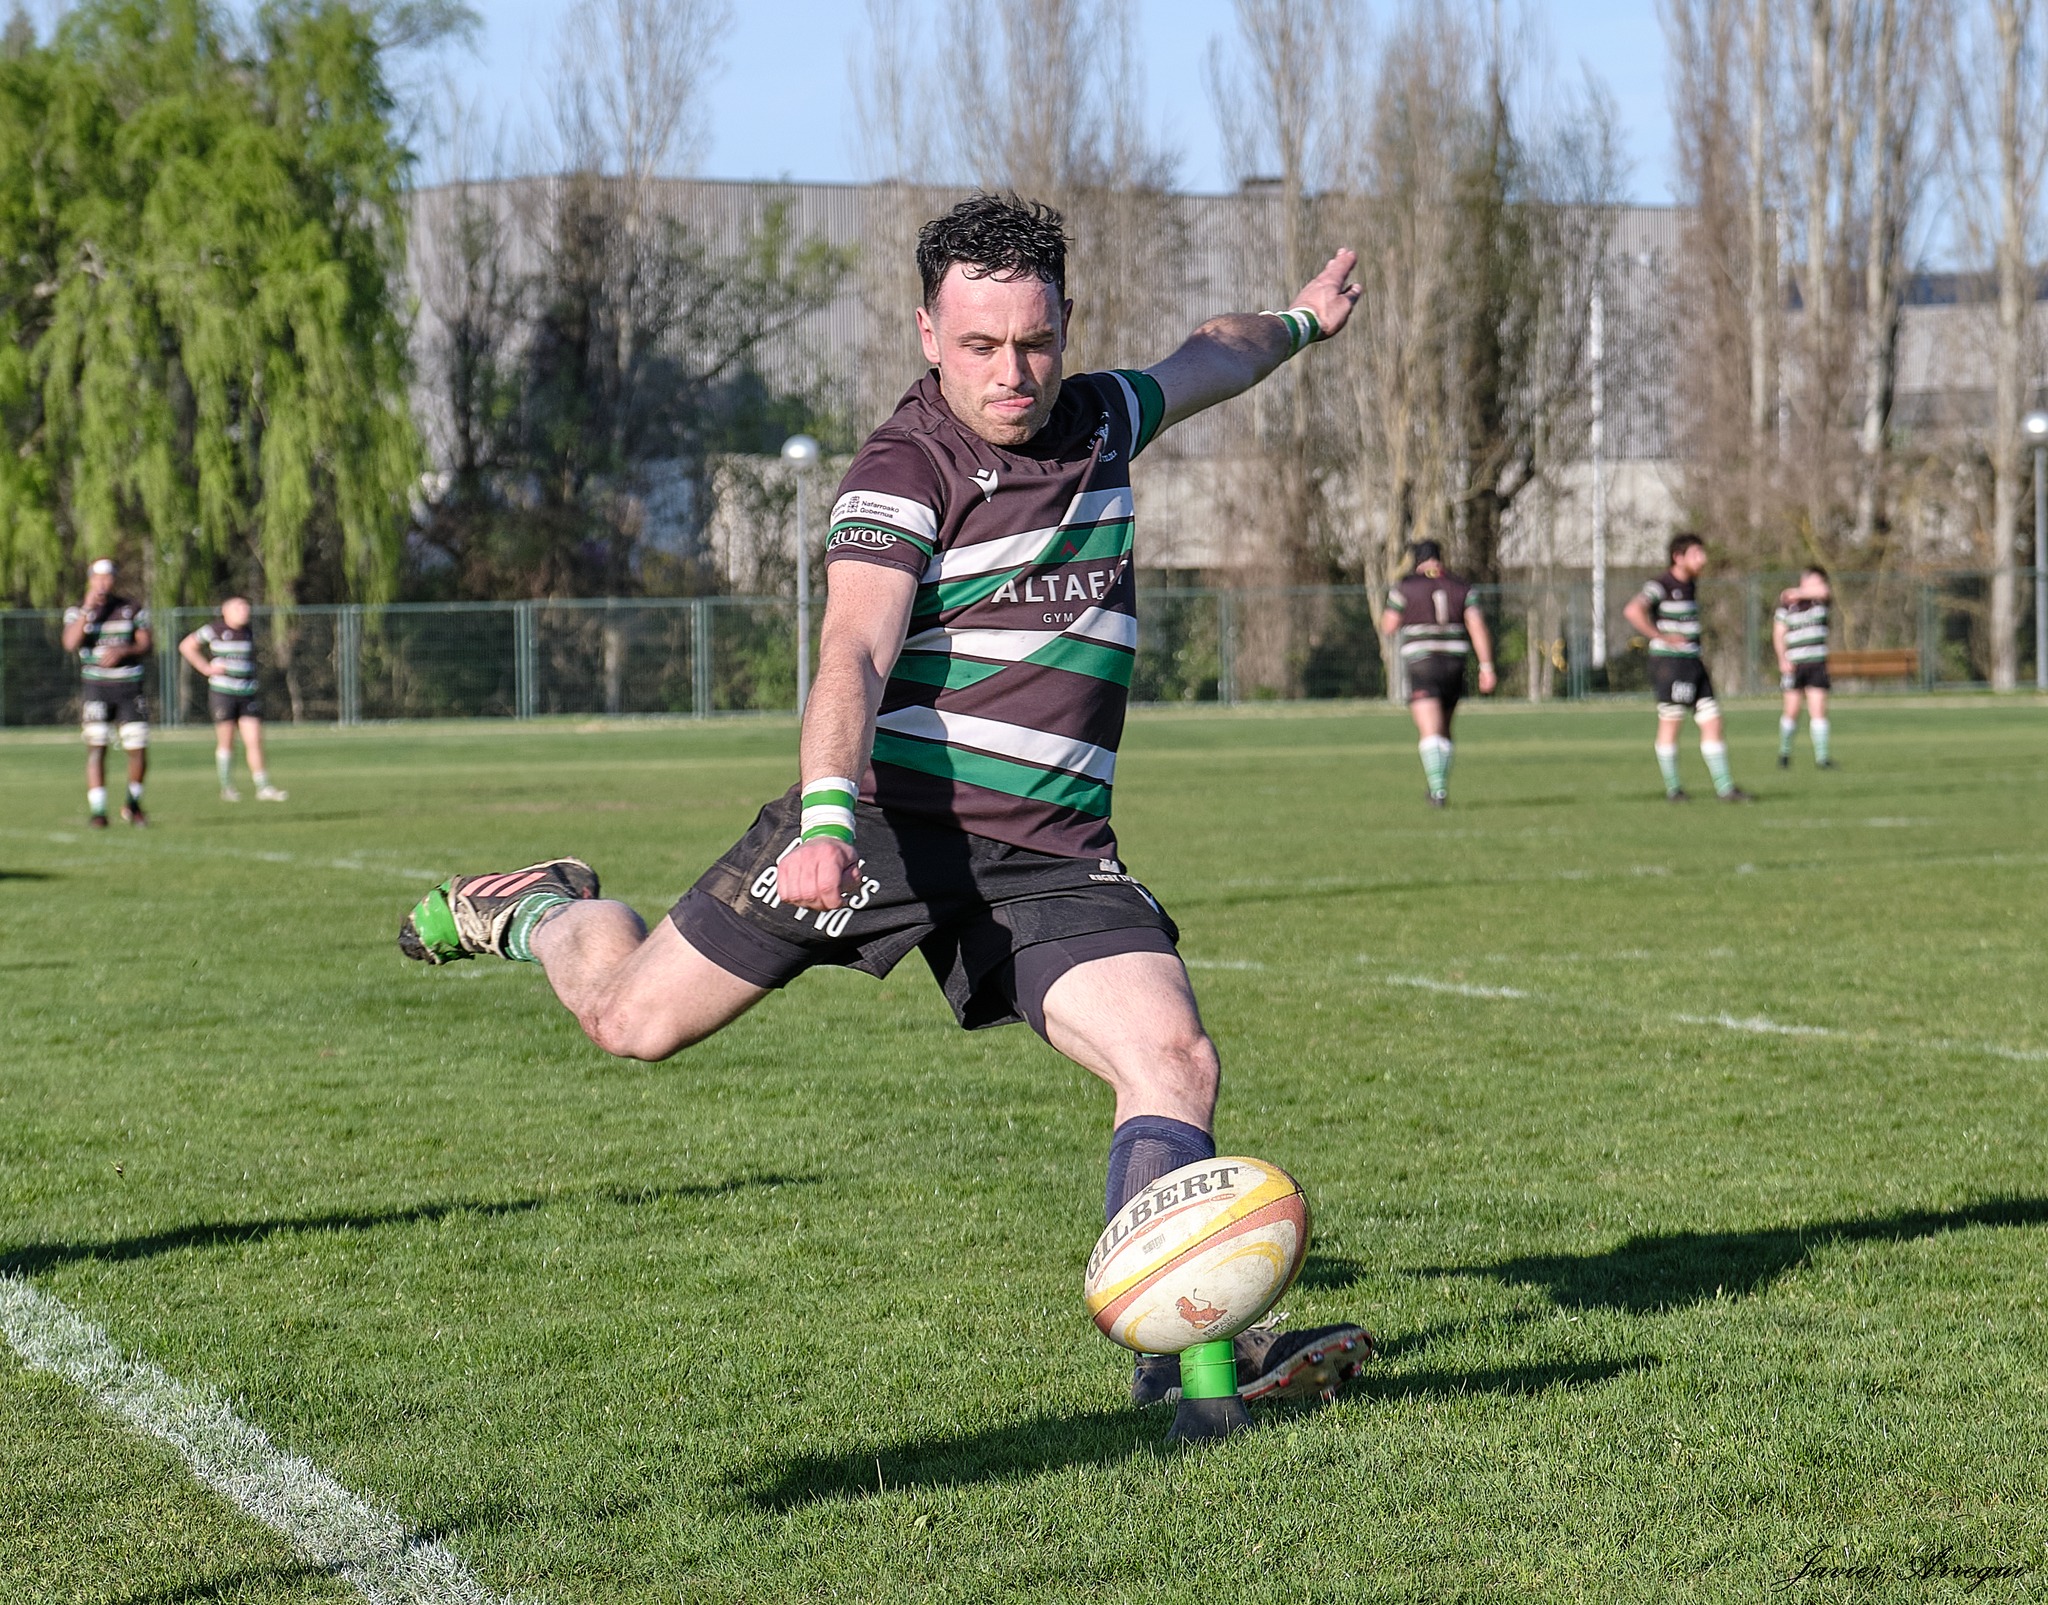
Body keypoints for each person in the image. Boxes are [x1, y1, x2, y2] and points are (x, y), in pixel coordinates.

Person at [396, 195, 1373, 1413]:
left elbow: (1208, 356)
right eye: (977, 346)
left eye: (1033, 341)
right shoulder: (902, 471)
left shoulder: (1099, 416)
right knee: (628, 1022)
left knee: (1171, 1057)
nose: (1011, 373)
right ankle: (543, 907)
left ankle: (1180, 1374)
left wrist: (1294, 322)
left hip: (1048, 854)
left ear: (1063, 323)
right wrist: (816, 822)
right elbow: (851, 652)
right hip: (873, 831)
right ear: (925, 329)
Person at [1622, 532, 1752, 804]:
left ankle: (1725, 788)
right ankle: (1674, 789)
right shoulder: (1661, 584)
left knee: (1712, 721)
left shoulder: (1691, 583)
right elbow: (1633, 610)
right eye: (1696, 554)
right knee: (1671, 724)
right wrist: (1660, 636)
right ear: (1677, 557)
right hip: (1672, 664)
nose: (1702, 559)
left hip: (1694, 663)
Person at [1379, 540, 1496, 807]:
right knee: (1444, 728)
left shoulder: (1406, 587)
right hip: (1455, 663)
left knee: (1429, 729)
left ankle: (1438, 790)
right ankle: (1438, 786)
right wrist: (1486, 666)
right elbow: (1477, 625)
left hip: (1423, 663)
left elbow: (1388, 626)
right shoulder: (1462, 586)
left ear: (1416, 560)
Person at [60, 559, 151, 828]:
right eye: (97, 578)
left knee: (138, 748)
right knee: (96, 748)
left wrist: (124, 650)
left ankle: (133, 805)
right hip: (97, 688)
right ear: (90, 580)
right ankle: (98, 811)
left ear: (114, 580)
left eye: (107, 578)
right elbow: (69, 642)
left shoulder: (131, 608)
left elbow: (146, 643)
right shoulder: (77, 610)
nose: (102, 583)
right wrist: (87, 610)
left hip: (129, 687)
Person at [179, 598, 288, 802]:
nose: (244, 611)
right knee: (227, 741)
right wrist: (205, 668)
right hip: (223, 693)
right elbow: (186, 646)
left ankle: (263, 787)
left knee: (254, 740)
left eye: (246, 607)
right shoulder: (215, 629)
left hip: (247, 693)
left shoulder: (248, 631)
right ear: (225, 611)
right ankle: (227, 787)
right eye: (239, 607)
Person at [1774, 566, 1833, 769]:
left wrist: (1798, 592)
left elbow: (1825, 592)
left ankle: (1822, 758)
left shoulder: (1819, 601)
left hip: (1816, 663)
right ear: (1804, 580)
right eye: (1815, 582)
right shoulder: (1787, 607)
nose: (1819, 586)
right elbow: (1779, 634)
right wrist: (1782, 659)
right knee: (1792, 710)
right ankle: (1784, 754)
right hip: (1794, 664)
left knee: (1818, 710)